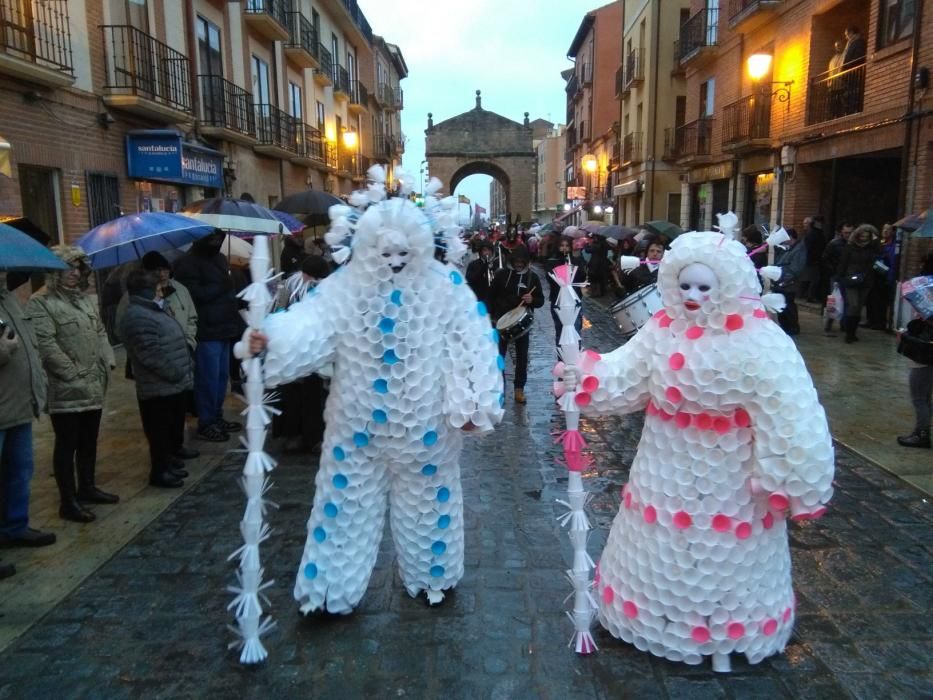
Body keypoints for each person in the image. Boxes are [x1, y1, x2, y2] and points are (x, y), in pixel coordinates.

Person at [241, 182, 504, 612]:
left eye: (403, 254)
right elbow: (312, 323)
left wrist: (477, 402)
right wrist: (270, 338)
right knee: (341, 508)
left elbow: (472, 340)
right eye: (386, 254)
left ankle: (431, 577)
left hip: (427, 431)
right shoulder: (345, 287)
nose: (395, 262)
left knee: (428, 507)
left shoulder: (447, 287)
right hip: (355, 430)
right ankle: (329, 591)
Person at [577, 230, 833, 671]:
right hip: (664, 465)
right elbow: (628, 373)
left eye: (704, 287)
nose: (692, 296)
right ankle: (653, 621)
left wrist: (789, 472)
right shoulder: (662, 330)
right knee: (663, 548)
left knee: (724, 554)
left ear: (728, 286)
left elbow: (788, 410)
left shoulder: (761, 341)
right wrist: (585, 381)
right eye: (685, 286)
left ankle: (722, 636)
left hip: (732, 478)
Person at [25, 246, 117, 523]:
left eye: (78, 268)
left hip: (93, 382)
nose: (74, 273)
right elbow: (46, 345)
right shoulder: (40, 302)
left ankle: (87, 487)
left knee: (89, 439)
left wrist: (107, 360)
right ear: (54, 272)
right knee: (68, 443)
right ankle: (68, 501)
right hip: (67, 386)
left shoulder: (86, 300)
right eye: (68, 268)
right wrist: (73, 373)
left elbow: (100, 332)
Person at [118, 270, 195, 488]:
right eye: (158, 290)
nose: (161, 292)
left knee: (169, 428)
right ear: (146, 292)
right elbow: (150, 354)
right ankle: (160, 472)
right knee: (158, 431)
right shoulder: (137, 316)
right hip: (157, 385)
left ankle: (168, 463)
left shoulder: (153, 310)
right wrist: (176, 372)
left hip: (171, 384)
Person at [0, 273, 56, 560]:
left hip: (18, 405)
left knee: (20, 472)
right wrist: (3, 350)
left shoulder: (9, 298)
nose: (3, 272)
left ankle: (15, 526)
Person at [173, 231, 243, 442]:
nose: (216, 242)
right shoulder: (187, 263)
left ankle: (217, 416)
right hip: (206, 330)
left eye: (218, 238)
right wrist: (220, 286)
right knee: (208, 380)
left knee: (222, 378)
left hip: (225, 326)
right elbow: (192, 296)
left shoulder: (220, 258)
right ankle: (206, 421)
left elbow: (226, 291)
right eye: (211, 238)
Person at [271, 256, 330, 454]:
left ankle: (312, 437)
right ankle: (294, 435)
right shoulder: (290, 285)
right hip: (293, 347)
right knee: (293, 393)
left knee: (313, 394)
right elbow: (278, 310)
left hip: (315, 348)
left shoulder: (325, 289)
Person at [489, 244, 544, 404]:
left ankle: (519, 389)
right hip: (500, 320)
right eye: (516, 261)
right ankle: (500, 388)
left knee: (522, 357)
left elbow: (540, 300)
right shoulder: (501, 275)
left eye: (522, 261)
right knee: (499, 356)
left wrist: (532, 300)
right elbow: (491, 295)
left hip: (521, 324)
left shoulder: (532, 278)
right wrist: (491, 316)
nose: (519, 264)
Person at [836, 224, 879, 343]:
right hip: (851, 280)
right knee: (853, 305)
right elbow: (843, 263)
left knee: (859, 307)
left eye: (867, 235)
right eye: (862, 235)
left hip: (866, 280)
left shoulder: (872, 248)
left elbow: (880, 254)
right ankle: (848, 333)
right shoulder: (850, 247)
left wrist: (876, 239)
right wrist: (840, 278)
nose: (864, 238)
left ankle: (853, 332)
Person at [896, 316, 933, 449]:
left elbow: (920, 339)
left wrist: (905, 335)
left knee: (920, 399)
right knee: (925, 398)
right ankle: (922, 432)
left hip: (923, 361)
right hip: (925, 361)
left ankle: (921, 435)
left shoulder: (929, 316)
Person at [546, 236, 587, 347]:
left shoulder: (575, 260)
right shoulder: (551, 261)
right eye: (562, 246)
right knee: (560, 331)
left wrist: (577, 265)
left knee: (576, 329)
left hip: (574, 300)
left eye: (567, 246)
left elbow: (582, 278)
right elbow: (551, 279)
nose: (564, 248)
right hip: (558, 301)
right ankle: (562, 360)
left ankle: (576, 357)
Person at [772, 227, 807, 336]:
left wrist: (784, 279)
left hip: (788, 283)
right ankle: (786, 326)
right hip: (782, 281)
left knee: (788, 306)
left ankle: (792, 327)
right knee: (783, 305)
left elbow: (795, 269)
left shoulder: (798, 250)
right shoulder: (789, 248)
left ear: (790, 237)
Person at [821, 222, 853, 333]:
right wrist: (833, 270)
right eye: (846, 233)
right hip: (836, 276)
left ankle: (844, 325)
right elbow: (825, 259)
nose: (848, 235)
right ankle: (829, 323)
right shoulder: (834, 244)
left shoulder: (853, 245)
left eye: (850, 233)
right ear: (841, 233)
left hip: (848, 276)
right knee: (833, 300)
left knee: (847, 300)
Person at [866, 223, 896, 331]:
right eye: (884, 229)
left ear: (892, 232)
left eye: (888, 229)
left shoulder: (893, 246)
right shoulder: (880, 243)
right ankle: (871, 321)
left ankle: (879, 323)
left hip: (883, 278)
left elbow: (892, 264)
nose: (885, 231)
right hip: (873, 276)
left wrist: (889, 278)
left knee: (880, 302)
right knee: (871, 300)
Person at [801, 215, 826, 302]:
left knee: (811, 278)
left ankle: (806, 295)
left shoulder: (812, 233)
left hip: (813, 259)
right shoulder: (814, 233)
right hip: (813, 260)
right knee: (814, 279)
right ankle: (809, 296)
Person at [465, 240, 495, 306]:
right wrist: (483, 268)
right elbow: (470, 280)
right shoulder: (473, 264)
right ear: (480, 252)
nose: (487, 253)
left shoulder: (495, 263)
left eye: (489, 250)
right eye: (484, 250)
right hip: (479, 298)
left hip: (494, 298)